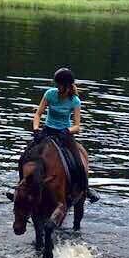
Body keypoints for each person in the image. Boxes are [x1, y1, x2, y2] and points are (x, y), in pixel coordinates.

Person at [30, 67, 97, 202]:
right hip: (47, 131)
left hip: (64, 134)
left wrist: (67, 131)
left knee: (78, 164)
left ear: (67, 86)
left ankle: (85, 189)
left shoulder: (75, 101)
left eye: (60, 85)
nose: (57, 87)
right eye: (57, 84)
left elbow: (77, 126)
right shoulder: (50, 94)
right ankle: (20, 187)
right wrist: (36, 129)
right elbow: (38, 114)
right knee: (26, 156)